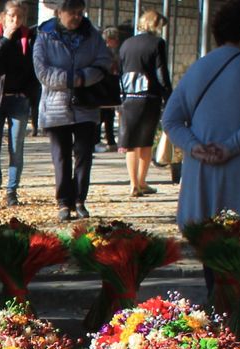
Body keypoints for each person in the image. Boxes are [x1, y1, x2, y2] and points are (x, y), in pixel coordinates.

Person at [162, 0, 240, 243]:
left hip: (201, 175)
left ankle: (213, 282)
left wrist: (195, 147)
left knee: (209, 244)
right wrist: (231, 146)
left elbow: (171, 120)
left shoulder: (197, 68)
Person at [34, 0, 112, 222]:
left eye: (80, 12)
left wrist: (84, 77)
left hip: (86, 106)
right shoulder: (45, 36)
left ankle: (79, 200)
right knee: (61, 157)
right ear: (59, 12)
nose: (77, 17)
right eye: (72, 12)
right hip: (55, 107)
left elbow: (104, 61)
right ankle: (63, 202)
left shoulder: (92, 35)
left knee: (84, 156)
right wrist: (70, 79)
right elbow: (42, 71)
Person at [0, 0, 38, 205]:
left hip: (18, 100)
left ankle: (12, 191)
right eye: (12, 16)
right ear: (4, 15)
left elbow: (34, 69)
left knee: (16, 148)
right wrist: (5, 38)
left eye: (20, 17)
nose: (16, 20)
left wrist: (30, 96)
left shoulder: (29, 37)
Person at [120, 10, 172, 197]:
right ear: (155, 25)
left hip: (129, 98)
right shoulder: (157, 43)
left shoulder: (126, 44)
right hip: (149, 97)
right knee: (146, 141)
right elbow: (161, 72)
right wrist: (169, 95)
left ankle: (133, 183)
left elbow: (120, 69)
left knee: (131, 142)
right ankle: (141, 181)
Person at [96, 26, 120, 153]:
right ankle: (98, 140)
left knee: (108, 115)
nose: (117, 41)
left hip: (108, 88)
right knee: (102, 115)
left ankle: (110, 140)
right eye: (115, 39)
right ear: (109, 39)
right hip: (105, 87)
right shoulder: (105, 52)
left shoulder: (110, 51)